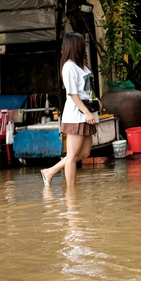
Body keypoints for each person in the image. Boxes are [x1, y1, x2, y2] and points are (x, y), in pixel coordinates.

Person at [41, 32, 99, 188]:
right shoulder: (69, 66)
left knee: (85, 152)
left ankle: (50, 171)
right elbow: (72, 94)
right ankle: (71, 194)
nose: (84, 46)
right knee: (72, 156)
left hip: (87, 113)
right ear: (75, 46)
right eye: (82, 44)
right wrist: (86, 112)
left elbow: (89, 89)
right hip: (76, 114)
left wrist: (96, 102)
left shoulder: (84, 65)